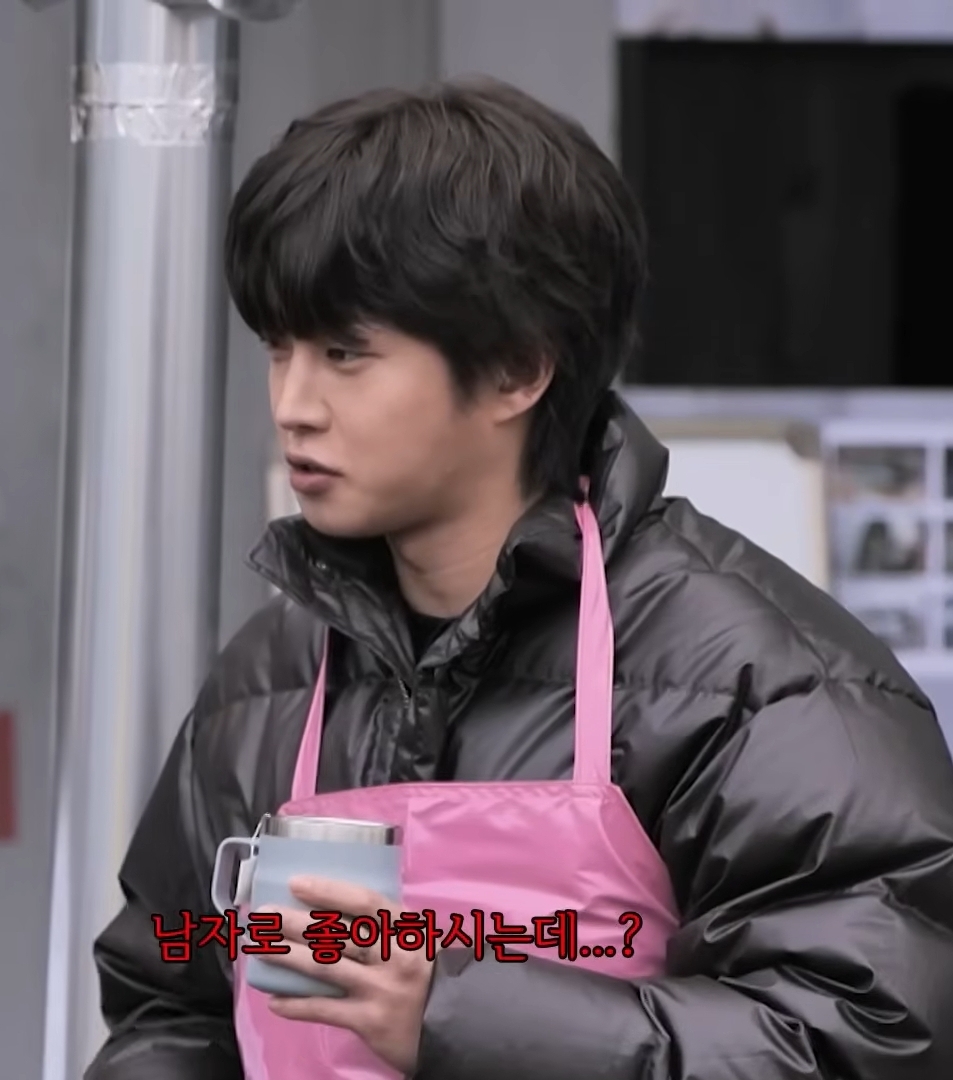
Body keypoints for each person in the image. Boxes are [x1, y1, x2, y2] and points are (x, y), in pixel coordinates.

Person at [85, 77, 953, 1080]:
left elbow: (866, 1038)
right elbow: (173, 997)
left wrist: (455, 1011)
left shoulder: (761, 687)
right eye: (280, 349)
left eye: (345, 353)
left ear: (515, 369)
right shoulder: (267, 680)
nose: (293, 403)